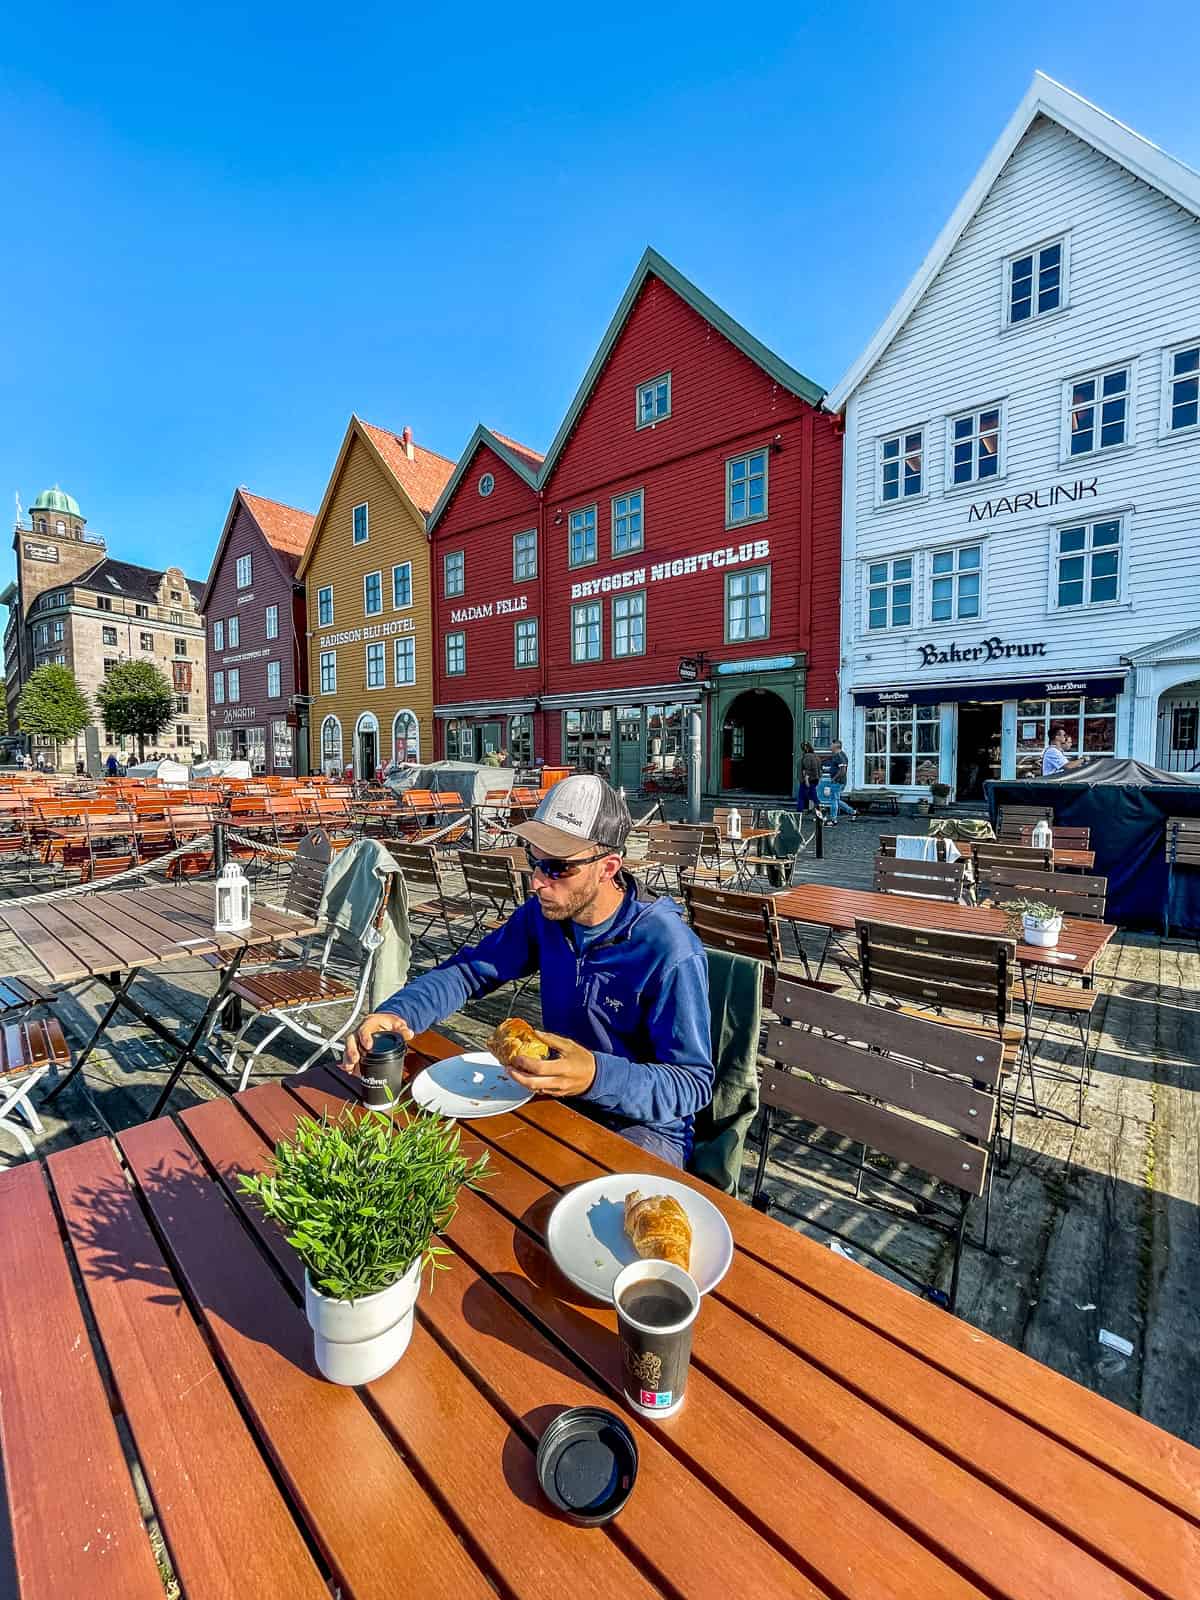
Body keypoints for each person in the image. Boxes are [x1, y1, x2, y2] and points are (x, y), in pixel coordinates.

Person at [345, 774, 714, 1167]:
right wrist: (397, 1013)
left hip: (643, 1128)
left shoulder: (668, 948)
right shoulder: (545, 918)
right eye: (533, 859)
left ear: (608, 868)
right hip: (556, 1097)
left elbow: (691, 1083)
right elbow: (471, 970)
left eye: (557, 867)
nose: (537, 881)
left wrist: (595, 1076)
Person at [824, 739, 856, 824]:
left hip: (838, 782)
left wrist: (834, 779)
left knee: (833, 800)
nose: (830, 747)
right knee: (837, 800)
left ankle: (833, 820)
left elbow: (843, 770)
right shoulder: (841, 755)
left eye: (831, 745)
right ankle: (853, 812)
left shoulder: (839, 756)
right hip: (840, 781)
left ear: (836, 746)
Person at [796, 743, 821, 812]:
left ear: (806, 749)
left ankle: (799, 812)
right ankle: (817, 808)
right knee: (812, 795)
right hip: (814, 779)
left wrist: (806, 779)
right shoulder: (815, 756)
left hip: (808, 780)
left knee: (801, 796)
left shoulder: (807, 756)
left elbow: (808, 768)